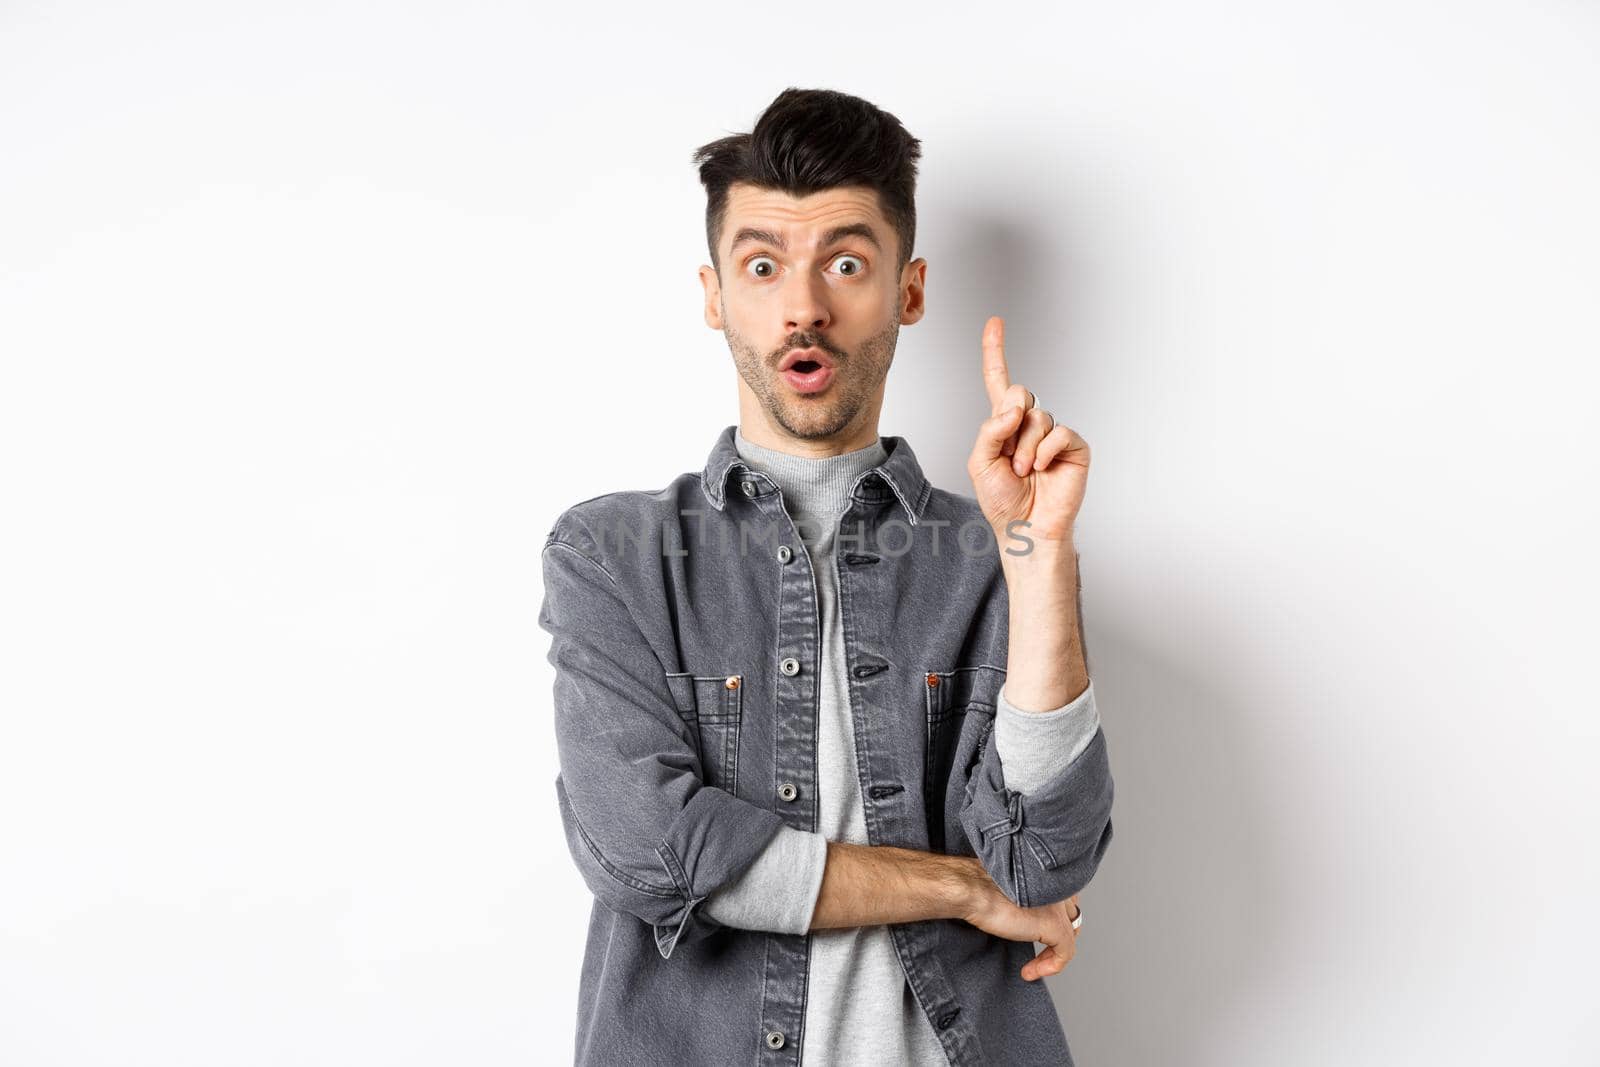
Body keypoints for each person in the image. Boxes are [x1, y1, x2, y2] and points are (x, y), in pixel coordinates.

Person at [538, 87, 1114, 1066]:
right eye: (763, 266)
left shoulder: (988, 558)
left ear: (910, 289)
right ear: (715, 294)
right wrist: (958, 887)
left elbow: (1039, 861)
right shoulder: (616, 555)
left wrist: (1039, 557)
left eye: (845, 263)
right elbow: (650, 850)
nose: (803, 306)